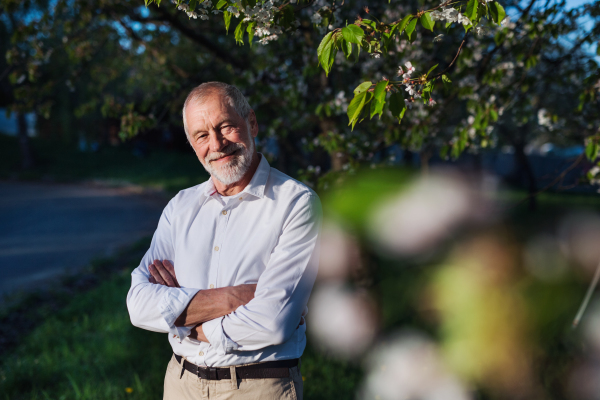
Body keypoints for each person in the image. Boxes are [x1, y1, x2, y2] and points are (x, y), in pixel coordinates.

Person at [126, 82, 322, 400]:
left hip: (258, 387)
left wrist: (185, 321)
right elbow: (138, 304)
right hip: (181, 384)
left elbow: (272, 322)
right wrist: (234, 297)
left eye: (226, 127)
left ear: (252, 123)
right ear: (192, 143)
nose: (216, 144)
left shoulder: (296, 203)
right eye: (202, 135)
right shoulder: (180, 207)